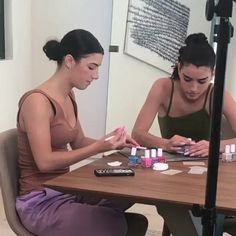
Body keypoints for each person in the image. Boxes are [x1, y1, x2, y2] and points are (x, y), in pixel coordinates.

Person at [16, 29, 148, 236]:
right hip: (40, 201)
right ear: (69, 61)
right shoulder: (37, 102)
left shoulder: (69, 96)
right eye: (91, 67)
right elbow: (45, 162)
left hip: (65, 190)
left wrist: (112, 141)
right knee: (115, 223)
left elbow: (78, 141)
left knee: (129, 193)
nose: (96, 76)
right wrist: (98, 147)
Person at [132, 33, 236, 236]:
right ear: (178, 68)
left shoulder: (218, 93)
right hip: (171, 175)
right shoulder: (163, 87)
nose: (193, 88)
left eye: (202, 81)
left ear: (213, 74)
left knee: (212, 210)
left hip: (210, 175)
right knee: (174, 208)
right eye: (187, 79)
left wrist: (215, 145)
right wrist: (165, 143)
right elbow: (138, 132)